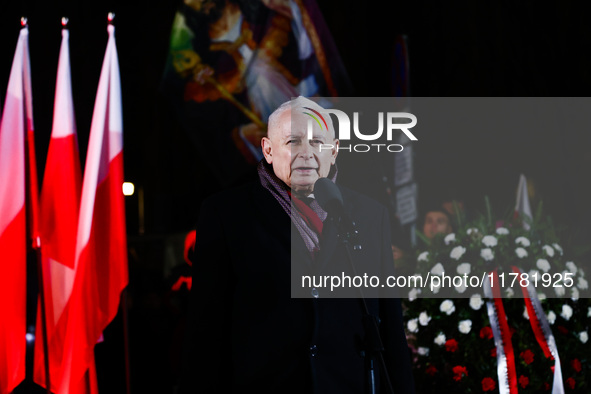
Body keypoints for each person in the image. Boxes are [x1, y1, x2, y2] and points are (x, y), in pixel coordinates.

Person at [179, 96, 414, 393]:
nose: (306, 154)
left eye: (317, 142)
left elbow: (390, 329)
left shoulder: (370, 215)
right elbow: (205, 330)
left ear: (334, 150)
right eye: (293, 142)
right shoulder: (225, 213)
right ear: (267, 149)